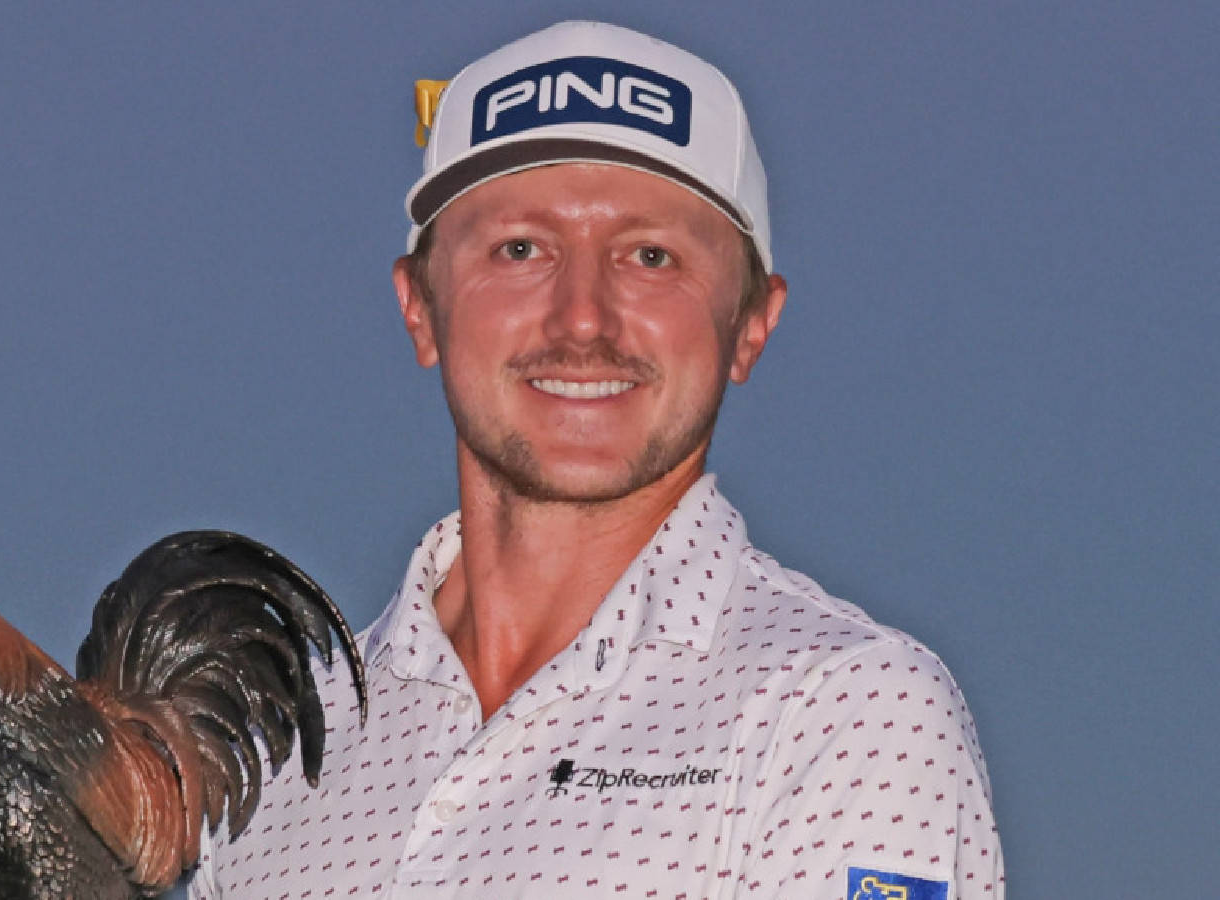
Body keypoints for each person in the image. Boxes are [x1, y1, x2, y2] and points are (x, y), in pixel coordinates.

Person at [191, 20, 1003, 899]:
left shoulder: (849, 710)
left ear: (753, 324)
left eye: (651, 257)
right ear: (419, 306)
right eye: (521, 250)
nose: (583, 319)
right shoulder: (275, 756)